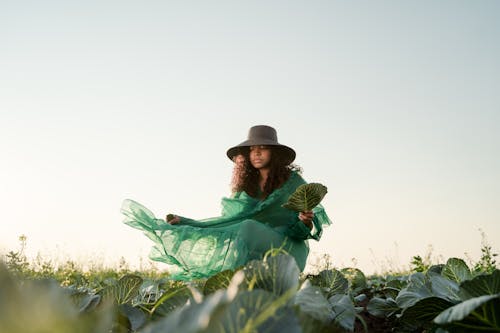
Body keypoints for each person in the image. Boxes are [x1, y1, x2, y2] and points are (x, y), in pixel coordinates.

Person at [121, 125, 332, 280]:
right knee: (239, 233)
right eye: (252, 149)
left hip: (289, 250)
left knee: (247, 228)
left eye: (263, 148)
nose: (256, 153)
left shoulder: (294, 183)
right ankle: (234, 284)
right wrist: (188, 222)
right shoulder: (246, 188)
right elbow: (229, 223)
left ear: (274, 153)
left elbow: (300, 233)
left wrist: (305, 222)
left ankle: (237, 282)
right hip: (257, 250)